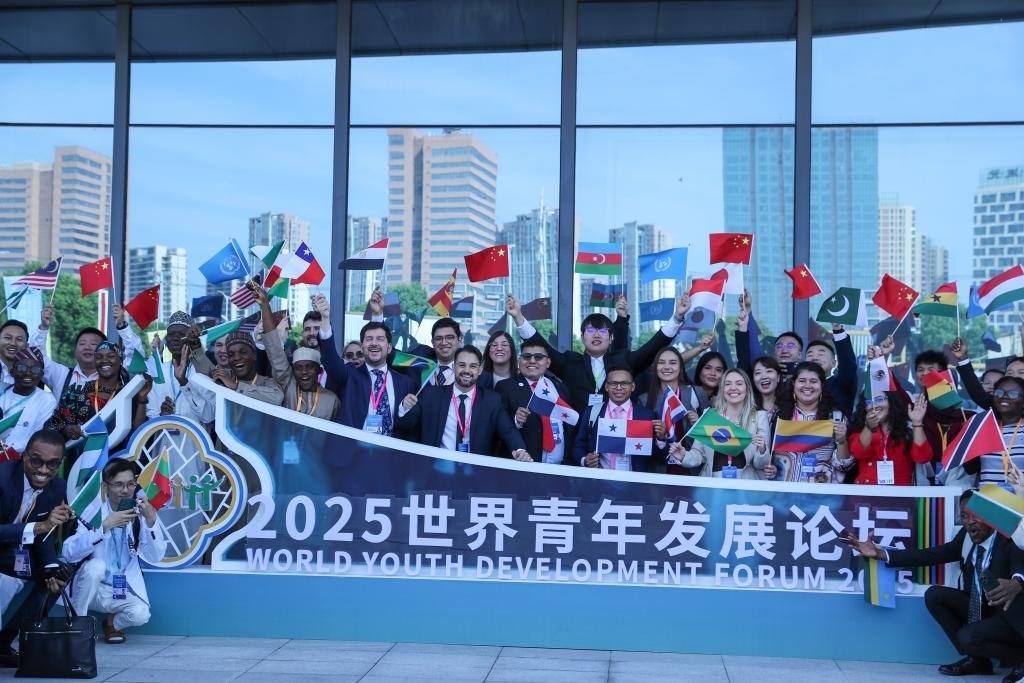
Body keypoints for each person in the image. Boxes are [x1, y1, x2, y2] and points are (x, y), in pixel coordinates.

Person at [847, 490, 1024, 681]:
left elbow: (1019, 564)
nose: (969, 522)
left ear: (990, 516)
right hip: (982, 606)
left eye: (976, 515)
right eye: (964, 516)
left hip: (1010, 614)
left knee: (972, 633)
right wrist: (882, 554)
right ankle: (978, 661)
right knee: (935, 595)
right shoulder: (966, 536)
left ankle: (1021, 661)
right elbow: (933, 554)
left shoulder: (1009, 537)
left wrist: (1018, 582)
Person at [508, 292, 689, 424]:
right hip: (578, 437)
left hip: (617, 432)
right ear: (582, 337)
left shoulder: (622, 360)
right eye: (590, 330)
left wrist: (677, 317)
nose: (596, 335)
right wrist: (519, 318)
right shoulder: (570, 362)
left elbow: (652, 347)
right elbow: (542, 347)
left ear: (611, 338)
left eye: (602, 331)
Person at [61, 458, 168, 644]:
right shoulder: (93, 514)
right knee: (96, 566)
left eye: (130, 484)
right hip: (90, 589)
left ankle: (112, 624)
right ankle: (78, 626)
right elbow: (69, 552)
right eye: (118, 484)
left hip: (120, 589)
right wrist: (104, 527)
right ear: (105, 487)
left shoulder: (141, 515)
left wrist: (151, 521)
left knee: (141, 615)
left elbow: (155, 556)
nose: (125, 490)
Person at [0, 430, 73, 666]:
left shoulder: (57, 487)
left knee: (60, 573)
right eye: (36, 461)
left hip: (15, 554)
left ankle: (4, 643)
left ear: (60, 463)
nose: (43, 470)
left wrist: (51, 567)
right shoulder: (2, 479)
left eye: (52, 464)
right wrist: (41, 526)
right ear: (24, 456)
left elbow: (43, 536)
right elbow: (41, 527)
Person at [397, 346, 530, 458]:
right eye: (462, 365)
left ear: (480, 370)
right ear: (454, 367)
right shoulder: (431, 395)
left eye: (473, 366)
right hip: (436, 467)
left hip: (475, 472)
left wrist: (520, 450)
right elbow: (406, 424)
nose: (467, 370)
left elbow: (508, 429)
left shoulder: (492, 400)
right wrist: (404, 407)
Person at [314, 294, 415, 436]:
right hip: (353, 448)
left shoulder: (405, 383)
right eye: (369, 339)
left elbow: (411, 425)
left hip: (390, 449)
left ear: (389, 348)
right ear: (362, 347)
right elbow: (330, 358)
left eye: (380, 339)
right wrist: (325, 318)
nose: (374, 343)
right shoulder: (349, 375)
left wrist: (404, 409)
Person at [669, 368, 770, 479]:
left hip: (745, 485)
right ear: (722, 389)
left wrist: (762, 449)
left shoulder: (759, 417)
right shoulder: (710, 417)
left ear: (747, 389)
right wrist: (683, 455)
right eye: (728, 384)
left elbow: (761, 465)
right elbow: (698, 455)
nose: (733, 388)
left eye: (739, 383)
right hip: (713, 484)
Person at [257, 288, 339, 420]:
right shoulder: (289, 384)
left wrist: (325, 317)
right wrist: (265, 305)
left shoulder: (332, 399)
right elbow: (275, 351)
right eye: (299, 368)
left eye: (310, 367)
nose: (304, 372)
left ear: (319, 370)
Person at [45, 341, 150, 442]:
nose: (104, 360)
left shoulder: (129, 393)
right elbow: (51, 425)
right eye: (99, 357)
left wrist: (142, 398)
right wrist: (66, 430)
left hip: (119, 453)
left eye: (111, 356)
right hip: (81, 452)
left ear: (120, 361)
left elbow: (139, 433)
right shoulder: (76, 391)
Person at [769, 362, 853, 483]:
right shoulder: (779, 416)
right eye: (802, 381)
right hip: (784, 491)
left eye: (813, 381)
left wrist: (841, 441)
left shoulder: (836, 418)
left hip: (821, 492)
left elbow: (844, 466)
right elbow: (768, 459)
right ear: (793, 383)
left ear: (822, 385)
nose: (807, 385)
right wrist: (770, 468)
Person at [573, 366, 667, 472]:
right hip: (600, 477)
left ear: (632, 386)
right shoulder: (592, 412)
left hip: (634, 479)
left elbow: (660, 457)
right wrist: (585, 460)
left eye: (624, 383)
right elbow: (578, 445)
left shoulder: (646, 416)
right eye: (613, 383)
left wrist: (661, 439)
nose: (618, 387)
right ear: (606, 386)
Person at [495, 340, 575, 463]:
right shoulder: (505, 387)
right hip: (525, 465)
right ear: (519, 360)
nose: (532, 361)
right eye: (526, 356)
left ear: (548, 362)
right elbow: (497, 426)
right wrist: (516, 420)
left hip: (560, 468)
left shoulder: (559, 387)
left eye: (538, 357)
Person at [141, 311, 216, 425]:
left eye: (182, 334)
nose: (175, 338)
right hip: (164, 435)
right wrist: (161, 416)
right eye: (171, 334)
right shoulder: (158, 372)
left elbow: (209, 416)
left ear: (191, 338)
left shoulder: (202, 371)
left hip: (195, 436)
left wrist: (184, 383)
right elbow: (150, 414)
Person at [848, 393, 932, 485]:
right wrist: (868, 427)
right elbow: (858, 453)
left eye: (879, 399)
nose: (874, 406)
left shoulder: (908, 429)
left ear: (891, 402)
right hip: (866, 492)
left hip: (900, 492)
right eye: (869, 402)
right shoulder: (860, 429)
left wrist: (917, 422)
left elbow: (923, 458)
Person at [965, 375, 1024, 487]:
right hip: (986, 496)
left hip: (1019, 496)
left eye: (1013, 394)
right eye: (999, 393)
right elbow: (970, 469)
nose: (1004, 397)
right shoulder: (983, 428)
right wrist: (970, 440)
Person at [0, 348, 56, 459]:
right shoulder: (2, 392)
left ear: (41, 374)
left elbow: (38, 437)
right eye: (22, 368)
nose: (28, 373)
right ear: (12, 371)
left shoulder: (46, 400)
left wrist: (6, 449)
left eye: (35, 369)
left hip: (20, 460)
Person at [210, 332, 284, 406]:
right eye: (231, 354)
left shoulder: (266, 382)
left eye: (243, 352)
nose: (237, 358)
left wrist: (237, 386)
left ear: (254, 355)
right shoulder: (227, 376)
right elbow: (207, 372)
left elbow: (278, 397)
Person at [0, 319, 29, 385]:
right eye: (8, 338)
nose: (13, 343)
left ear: (26, 346)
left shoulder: (31, 373)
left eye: (19, 339)